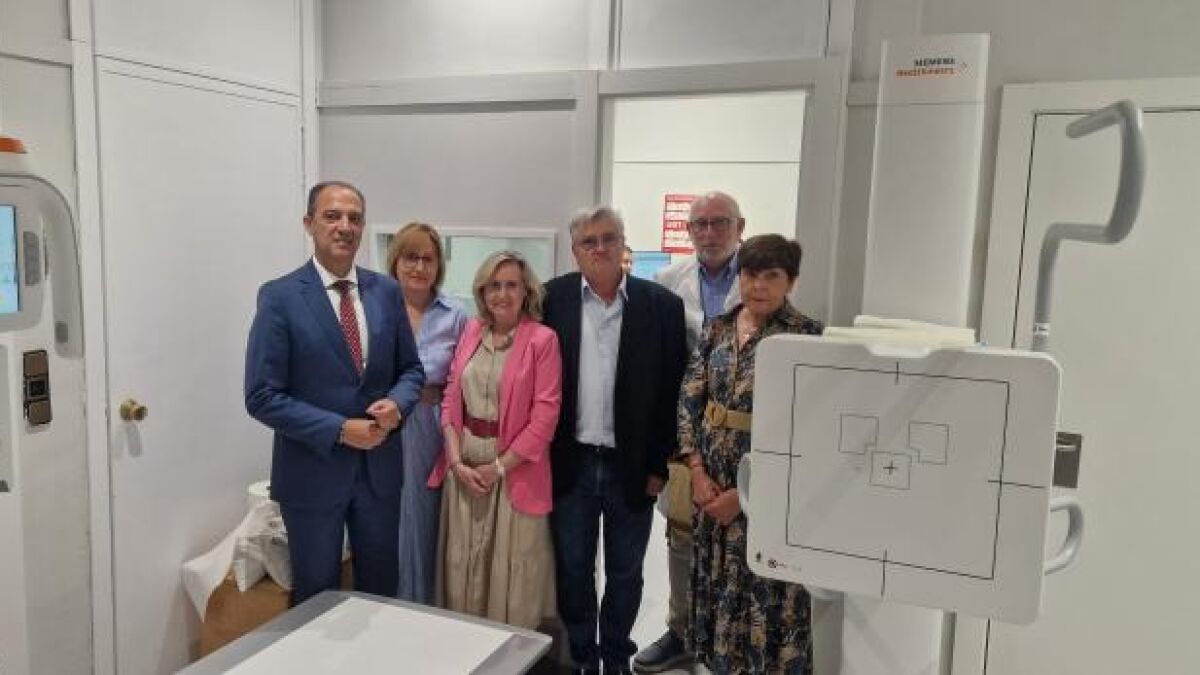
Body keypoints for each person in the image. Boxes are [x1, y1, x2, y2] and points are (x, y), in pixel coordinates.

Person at [245, 181, 425, 605]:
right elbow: (261, 395)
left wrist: (398, 404)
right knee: (316, 599)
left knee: (381, 592)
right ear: (309, 224)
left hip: (379, 475)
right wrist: (340, 429)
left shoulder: (386, 292)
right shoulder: (280, 297)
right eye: (332, 216)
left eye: (354, 218)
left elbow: (411, 370)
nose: (345, 226)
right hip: (311, 474)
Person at [542, 206, 688, 675]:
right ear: (575, 250)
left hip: (634, 467)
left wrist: (660, 467)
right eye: (589, 241)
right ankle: (583, 658)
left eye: (609, 238)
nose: (600, 248)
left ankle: (616, 657)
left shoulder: (661, 306)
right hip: (571, 464)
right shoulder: (550, 300)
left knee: (626, 572)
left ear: (624, 244)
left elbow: (672, 392)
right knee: (574, 569)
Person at [679, 234, 822, 674]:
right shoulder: (717, 328)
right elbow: (689, 401)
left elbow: (809, 432)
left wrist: (744, 498)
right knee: (716, 594)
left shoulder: (807, 338)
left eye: (771, 276)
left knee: (764, 605)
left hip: (768, 501)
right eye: (750, 274)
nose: (758, 285)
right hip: (709, 490)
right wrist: (696, 472)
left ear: (790, 281)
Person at [636, 191, 745, 672]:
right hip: (686, 432)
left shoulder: (757, 277)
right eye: (699, 224)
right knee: (681, 534)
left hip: (741, 433)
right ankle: (681, 630)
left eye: (719, 222)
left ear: (740, 226)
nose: (709, 233)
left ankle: (727, 636)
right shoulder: (668, 280)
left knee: (735, 533)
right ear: (688, 231)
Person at [427, 250, 562, 629]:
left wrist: (499, 467)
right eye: (494, 286)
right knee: (464, 564)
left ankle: (508, 653)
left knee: (510, 574)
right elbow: (450, 397)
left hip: (513, 470)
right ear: (482, 292)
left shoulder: (543, 340)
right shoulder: (471, 330)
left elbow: (545, 416)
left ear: (526, 291)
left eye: (511, 285)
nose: (502, 294)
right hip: (465, 465)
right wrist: (456, 461)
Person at [386, 222, 468, 604]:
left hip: (435, 429)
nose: (419, 267)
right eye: (410, 257)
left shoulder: (456, 314)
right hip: (385, 428)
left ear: (439, 266)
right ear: (395, 261)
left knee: (429, 518)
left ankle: (428, 606)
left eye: (428, 259)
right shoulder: (377, 308)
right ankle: (391, 604)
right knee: (388, 518)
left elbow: (464, 379)